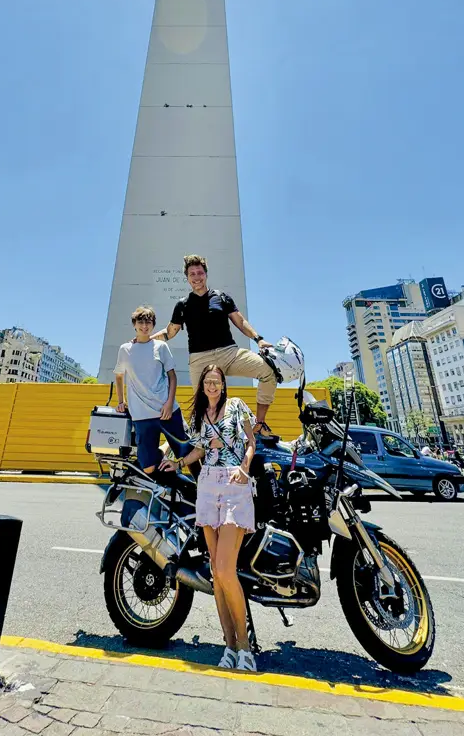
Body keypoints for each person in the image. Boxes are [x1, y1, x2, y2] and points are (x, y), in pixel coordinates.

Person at [160, 364, 257, 672]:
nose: (213, 386)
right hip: (207, 485)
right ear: (202, 387)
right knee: (216, 573)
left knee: (227, 570)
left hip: (234, 483)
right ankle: (229, 645)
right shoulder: (202, 417)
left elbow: (251, 441)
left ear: (223, 385)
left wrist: (245, 466)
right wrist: (177, 463)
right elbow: (199, 450)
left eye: (217, 382)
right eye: (208, 382)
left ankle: (245, 646)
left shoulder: (237, 406)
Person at [152, 254, 277, 437]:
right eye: (192, 274)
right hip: (200, 359)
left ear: (206, 274)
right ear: (187, 278)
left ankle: (259, 424)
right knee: (201, 410)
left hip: (229, 353)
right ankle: (199, 450)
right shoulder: (183, 305)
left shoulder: (221, 297)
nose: (196, 277)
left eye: (200, 272)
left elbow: (240, 322)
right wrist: (145, 340)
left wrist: (259, 339)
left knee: (268, 372)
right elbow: (169, 332)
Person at [114, 305, 190, 475]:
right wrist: (121, 401)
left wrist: (170, 403)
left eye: (149, 322)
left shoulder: (160, 347)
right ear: (134, 324)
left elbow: (172, 376)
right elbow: (119, 376)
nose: (144, 326)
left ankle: (202, 490)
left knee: (188, 455)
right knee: (148, 467)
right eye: (140, 322)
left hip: (167, 411)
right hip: (142, 415)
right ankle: (165, 448)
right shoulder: (125, 349)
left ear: (153, 325)